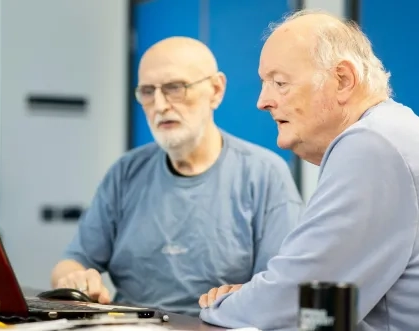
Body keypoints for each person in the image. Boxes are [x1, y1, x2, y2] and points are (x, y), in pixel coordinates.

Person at [198, 9, 419, 331]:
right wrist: (265, 294)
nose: (263, 101)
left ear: (343, 80)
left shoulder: (371, 145)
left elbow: (292, 301)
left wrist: (227, 303)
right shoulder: (395, 130)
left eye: (279, 82)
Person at [50, 36, 303, 316]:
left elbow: (280, 288)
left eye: (174, 88)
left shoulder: (265, 174)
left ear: (216, 90)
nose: (159, 105)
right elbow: (73, 261)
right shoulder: (125, 173)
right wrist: (74, 279)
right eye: (147, 92)